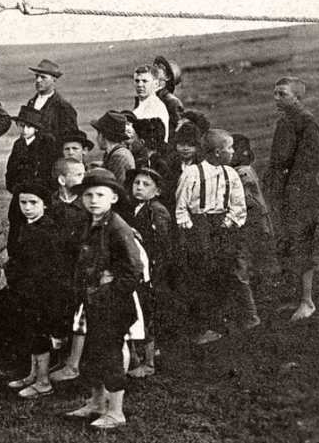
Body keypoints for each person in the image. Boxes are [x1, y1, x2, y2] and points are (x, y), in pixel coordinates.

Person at [65, 168, 143, 429]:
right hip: (91, 301)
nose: (93, 200)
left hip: (111, 305)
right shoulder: (90, 223)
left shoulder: (118, 227)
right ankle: (97, 402)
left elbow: (133, 269)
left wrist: (110, 292)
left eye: (100, 194)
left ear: (114, 198)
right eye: (88, 195)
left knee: (109, 356)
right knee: (91, 355)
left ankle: (116, 411)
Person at [174, 130, 250, 344]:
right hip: (198, 228)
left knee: (224, 272)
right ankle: (200, 327)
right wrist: (190, 229)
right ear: (217, 152)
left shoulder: (231, 174)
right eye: (230, 148)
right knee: (199, 276)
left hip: (222, 228)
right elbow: (181, 206)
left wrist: (226, 225)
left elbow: (238, 206)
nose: (233, 151)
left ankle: (220, 320)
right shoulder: (192, 173)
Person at [262, 77, 319, 321]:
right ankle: (293, 298)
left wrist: (293, 189)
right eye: (275, 93)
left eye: (282, 94)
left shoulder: (306, 122)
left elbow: (312, 161)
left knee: (302, 245)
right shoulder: (285, 121)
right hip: (283, 193)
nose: (276, 98)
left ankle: (307, 302)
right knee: (285, 244)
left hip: (301, 195)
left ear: (297, 97)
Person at [5, 182, 68, 399]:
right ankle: (33, 374)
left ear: (45, 205)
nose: (27, 207)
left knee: (39, 334)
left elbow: (50, 268)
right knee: (30, 333)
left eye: (33, 203)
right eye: (23, 202)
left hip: (41, 292)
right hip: (26, 290)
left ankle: (43, 381)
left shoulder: (47, 230)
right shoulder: (27, 225)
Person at [45, 157, 89, 383]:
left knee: (77, 313)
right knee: (57, 313)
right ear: (62, 179)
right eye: (79, 174)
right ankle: (59, 355)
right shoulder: (51, 205)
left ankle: (75, 361)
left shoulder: (84, 206)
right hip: (55, 270)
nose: (84, 178)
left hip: (78, 270)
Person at [126, 167, 171, 378]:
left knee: (148, 313)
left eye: (146, 185)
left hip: (150, 271)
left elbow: (161, 246)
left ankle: (150, 362)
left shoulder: (156, 211)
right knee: (139, 311)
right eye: (137, 183)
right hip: (139, 269)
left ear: (157, 191)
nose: (139, 188)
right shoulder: (137, 208)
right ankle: (138, 356)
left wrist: (154, 272)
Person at [230, 133, 271, 329]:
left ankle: (251, 316)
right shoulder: (245, 169)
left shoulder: (242, 173)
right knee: (249, 266)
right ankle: (256, 309)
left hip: (247, 227)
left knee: (241, 268)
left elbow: (245, 202)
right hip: (255, 226)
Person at [5, 107, 58, 255]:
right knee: (16, 231)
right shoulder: (18, 145)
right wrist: (16, 188)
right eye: (21, 125)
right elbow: (10, 172)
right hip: (20, 195)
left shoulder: (46, 143)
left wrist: (43, 191)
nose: (24, 129)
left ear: (36, 128)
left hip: (40, 195)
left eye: (29, 126)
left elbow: (50, 170)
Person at [25, 59, 79, 143]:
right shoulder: (31, 102)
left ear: (54, 80)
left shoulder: (63, 106)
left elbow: (72, 138)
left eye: (43, 77)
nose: (38, 80)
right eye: (36, 76)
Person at [91, 111, 135, 185]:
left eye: (97, 134)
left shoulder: (118, 156)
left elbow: (115, 187)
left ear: (101, 135)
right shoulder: (115, 153)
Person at [132, 64, 170, 144]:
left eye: (145, 81)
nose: (140, 85)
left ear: (156, 84)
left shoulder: (155, 106)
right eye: (137, 81)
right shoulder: (141, 104)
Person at [153, 55, 184, 139]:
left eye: (160, 67)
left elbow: (177, 130)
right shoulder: (150, 96)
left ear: (167, 77)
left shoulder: (172, 102)